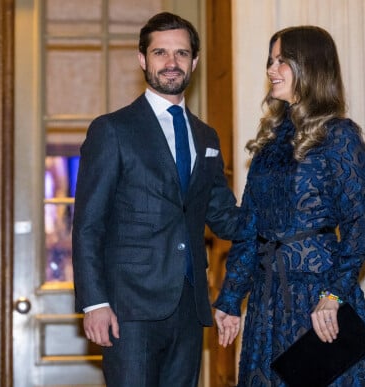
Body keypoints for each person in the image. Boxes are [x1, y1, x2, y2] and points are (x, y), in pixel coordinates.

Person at [72, 12, 242, 387]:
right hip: (128, 309)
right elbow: (88, 225)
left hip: (189, 305)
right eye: (160, 53)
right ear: (142, 59)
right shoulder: (112, 130)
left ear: (194, 62)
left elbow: (226, 219)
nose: (171, 63)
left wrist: (284, 208)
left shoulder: (206, 136)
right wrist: (94, 303)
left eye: (181, 54)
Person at [213, 26, 365, 386]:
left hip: (319, 300)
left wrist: (334, 295)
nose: (272, 69)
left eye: (282, 61)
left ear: (310, 66)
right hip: (268, 303)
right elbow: (249, 231)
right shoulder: (269, 141)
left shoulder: (340, 135)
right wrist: (229, 301)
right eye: (270, 61)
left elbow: (357, 229)